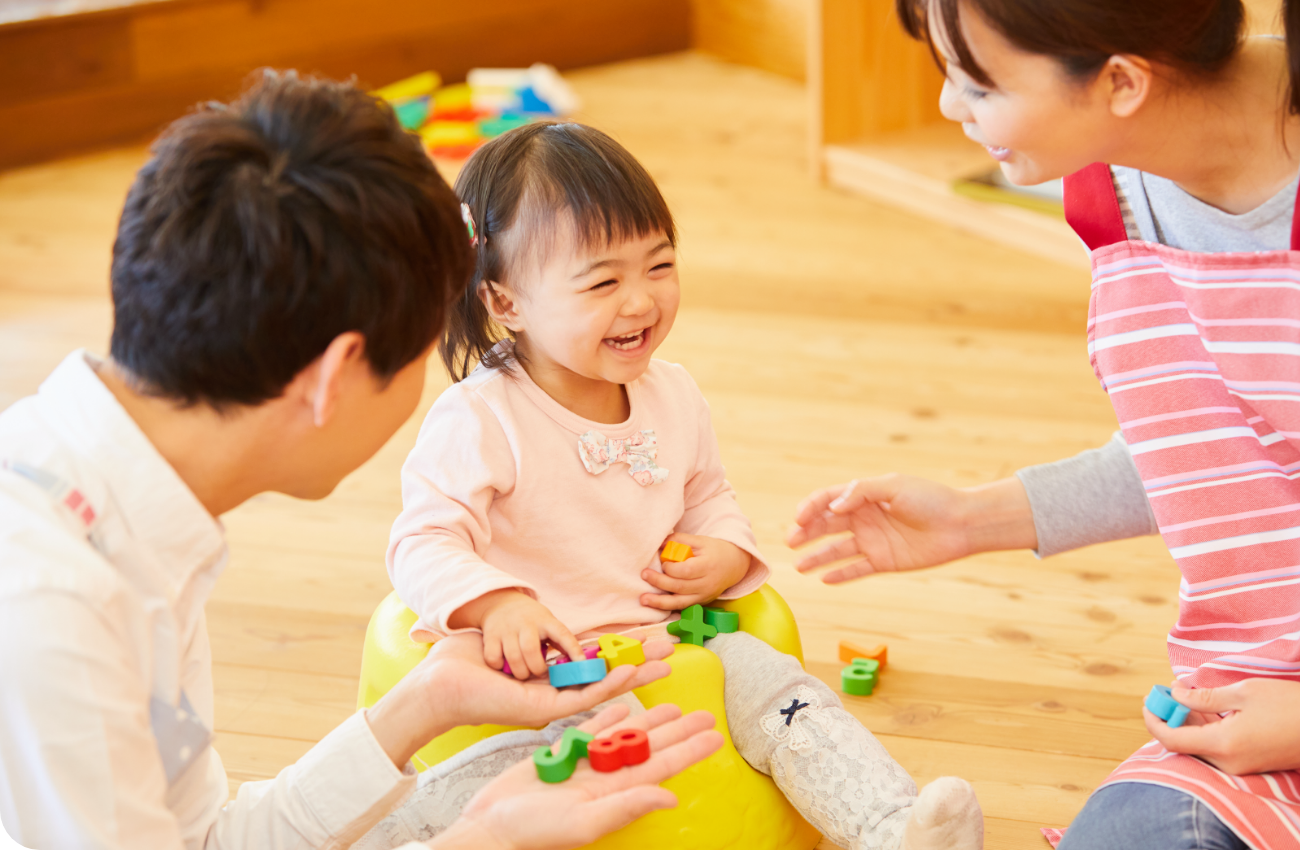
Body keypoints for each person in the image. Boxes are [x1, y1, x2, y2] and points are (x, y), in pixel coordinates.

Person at [0, 70, 727, 850]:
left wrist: (424, 702)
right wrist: (480, 841)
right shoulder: (55, 609)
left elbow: (205, 841)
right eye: (419, 354)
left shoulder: (107, 503)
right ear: (338, 375)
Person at [385, 121, 985, 850]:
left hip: (674, 644)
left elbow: (710, 498)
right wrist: (496, 602)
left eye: (659, 266)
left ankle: (893, 827)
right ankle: (375, 837)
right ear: (506, 303)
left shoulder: (673, 394)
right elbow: (422, 542)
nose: (640, 301)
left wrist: (727, 555)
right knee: (502, 774)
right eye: (604, 281)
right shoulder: (480, 419)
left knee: (788, 697)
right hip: (539, 671)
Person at [788, 1, 1300, 848]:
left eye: (979, 83)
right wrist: (967, 518)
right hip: (1248, 710)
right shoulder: (1115, 185)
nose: (952, 107)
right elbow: (1221, 449)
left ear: (1122, 81)